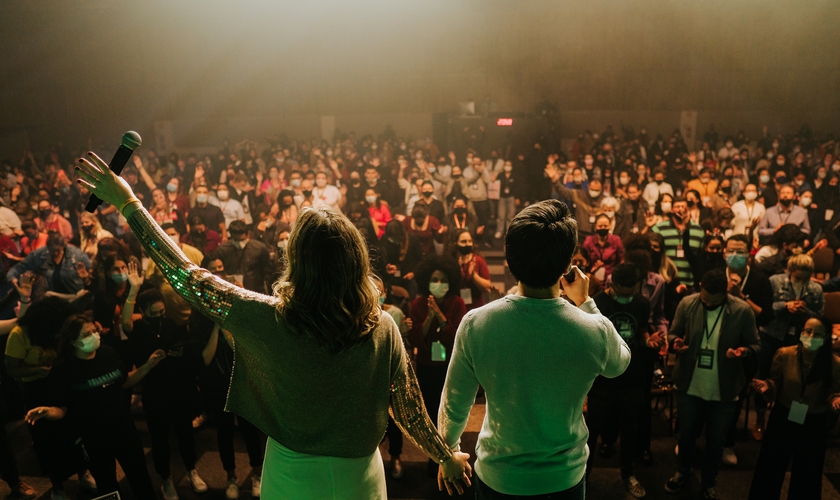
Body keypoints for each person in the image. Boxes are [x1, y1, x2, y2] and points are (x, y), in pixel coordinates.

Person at [76, 151, 471, 499]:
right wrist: (443, 455)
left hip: (291, 475)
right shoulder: (382, 325)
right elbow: (408, 406)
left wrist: (129, 204)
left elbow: (185, 275)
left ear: (295, 261)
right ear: (356, 260)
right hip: (361, 478)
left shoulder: (264, 316)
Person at [438, 200, 630, 499]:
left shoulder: (476, 323)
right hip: (564, 478)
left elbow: (454, 402)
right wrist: (587, 303)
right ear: (568, 265)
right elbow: (620, 362)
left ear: (510, 260)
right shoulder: (593, 329)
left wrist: (447, 452)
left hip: (498, 477)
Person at [25, 315, 162, 500]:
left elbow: (124, 381)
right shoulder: (64, 369)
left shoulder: (107, 353)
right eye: (87, 334)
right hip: (94, 437)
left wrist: (147, 366)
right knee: (107, 484)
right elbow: (62, 409)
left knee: (140, 476)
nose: (94, 336)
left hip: (124, 429)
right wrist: (49, 411)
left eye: (94, 331)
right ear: (73, 340)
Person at [664, 269, 760, 500]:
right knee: (686, 436)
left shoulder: (741, 310)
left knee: (716, 442)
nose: (708, 304)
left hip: (724, 387)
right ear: (700, 287)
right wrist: (675, 343)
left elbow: (755, 345)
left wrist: (743, 351)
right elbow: (673, 333)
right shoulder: (687, 304)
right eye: (705, 300)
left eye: (714, 302)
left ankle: (709, 483)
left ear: (726, 293)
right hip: (689, 382)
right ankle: (683, 472)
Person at [122, 277, 207, 500]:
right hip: (154, 391)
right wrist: (133, 290)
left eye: (161, 311)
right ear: (142, 311)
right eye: (153, 313)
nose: (159, 316)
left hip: (177, 387)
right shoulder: (139, 329)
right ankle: (166, 480)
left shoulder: (168, 323)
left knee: (185, 434)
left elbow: (185, 343)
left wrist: (180, 352)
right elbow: (125, 324)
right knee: (159, 439)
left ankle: (191, 471)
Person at [587, 263, 660, 499]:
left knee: (631, 431)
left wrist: (649, 341)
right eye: (622, 292)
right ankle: (582, 478)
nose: (627, 297)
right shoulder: (597, 302)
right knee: (591, 431)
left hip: (632, 377)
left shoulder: (641, 303)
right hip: (602, 378)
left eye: (631, 292)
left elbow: (640, 334)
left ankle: (628, 474)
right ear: (613, 284)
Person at [749, 316, 840, 499]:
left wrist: (835, 401)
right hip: (784, 414)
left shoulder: (834, 363)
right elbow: (776, 382)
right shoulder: (785, 354)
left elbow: (834, 392)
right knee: (770, 468)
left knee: (807, 475)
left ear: (826, 337)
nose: (811, 336)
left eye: (818, 333)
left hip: (814, 421)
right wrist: (768, 386)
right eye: (808, 331)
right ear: (801, 333)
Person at [407, 255, 467, 476]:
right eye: (434, 279)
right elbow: (415, 338)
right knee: (431, 411)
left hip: (449, 365)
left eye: (443, 280)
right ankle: (435, 456)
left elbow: (455, 337)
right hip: (426, 365)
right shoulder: (418, 304)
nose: (439, 284)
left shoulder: (457, 303)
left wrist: (440, 316)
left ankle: (450, 452)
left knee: (450, 410)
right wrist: (429, 318)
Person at [7, 231, 91, 296]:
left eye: (58, 250)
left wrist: (86, 278)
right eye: (52, 250)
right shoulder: (38, 255)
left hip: (73, 295)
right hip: (49, 297)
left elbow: (91, 273)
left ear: (63, 246)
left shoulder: (77, 255)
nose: (55, 253)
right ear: (47, 247)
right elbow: (16, 269)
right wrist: (13, 279)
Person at [651, 197, 704, 287]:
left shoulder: (698, 230)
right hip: (667, 281)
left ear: (688, 209)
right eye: (677, 207)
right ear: (672, 210)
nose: (680, 209)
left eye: (683, 207)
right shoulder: (659, 228)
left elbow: (700, 257)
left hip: (690, 281)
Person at [215, 220, 274, 294]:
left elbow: (268, 272)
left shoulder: (259, 248)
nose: (239, 243)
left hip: (255, 292)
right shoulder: (223, 249)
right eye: (236, 240)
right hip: (232, 291)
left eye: (242, 240)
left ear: (248, 235)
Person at [451, 230, 491, 313]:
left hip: (476, 308)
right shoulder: (451, 261)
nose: (467, 244)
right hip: (455, 307)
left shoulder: (478, 261)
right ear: (456, 243)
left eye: (470, 241)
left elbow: (487, 287)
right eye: (463, 241)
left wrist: (474, 276)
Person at [582, 214, 624, 282]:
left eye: (605, 226)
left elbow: (621, 260)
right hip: (592, 277)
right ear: (595, 226)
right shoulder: (589, 241)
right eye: (600, 226)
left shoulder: (616, 240)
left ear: (610, 225)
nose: (603, 228)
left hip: (612, 278)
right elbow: (584, 260)